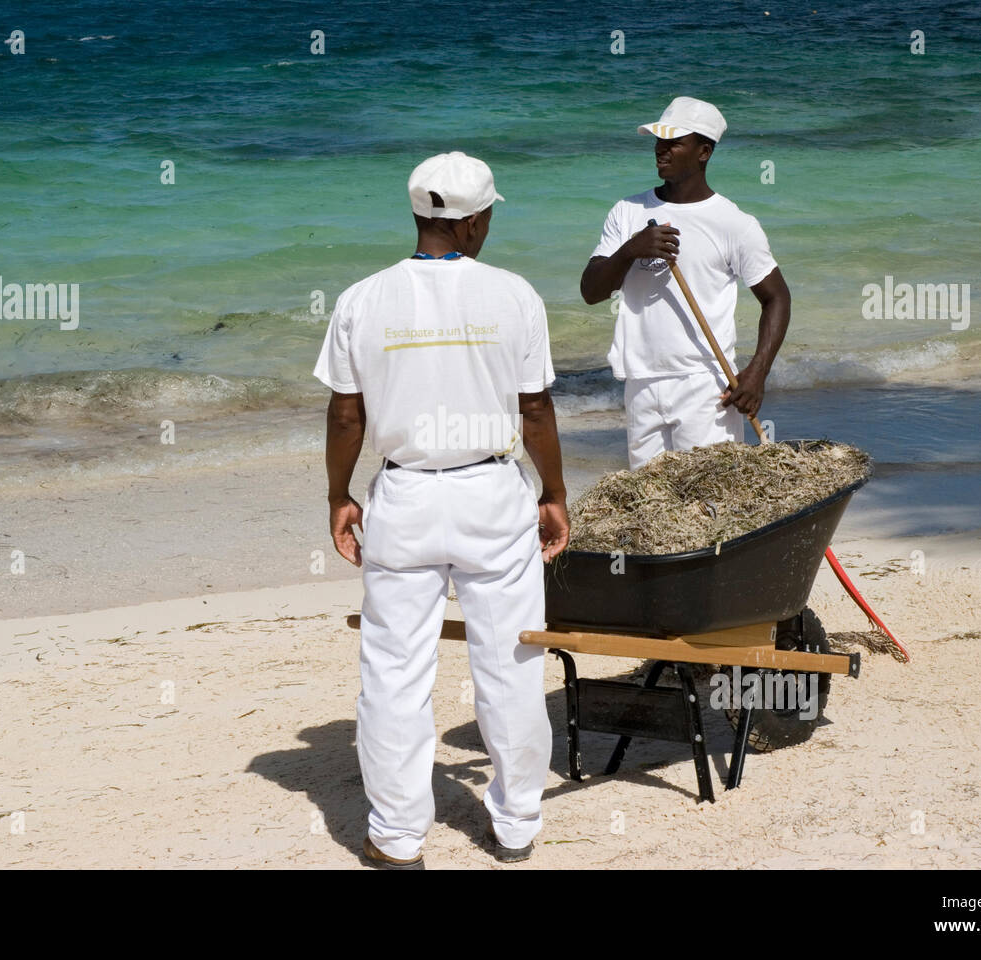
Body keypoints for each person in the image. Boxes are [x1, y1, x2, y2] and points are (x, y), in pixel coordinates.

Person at [313, 151, 569, 869]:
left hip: (405, 493)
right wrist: (553, 491)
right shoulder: (514, 295)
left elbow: (345, 415)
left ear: (420, 214)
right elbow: (537, 408)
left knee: (394, 671)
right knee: (512, 663)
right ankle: (515, 827)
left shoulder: (363, 298)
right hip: (492, 490)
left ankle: (397, 838)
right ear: (478, 220)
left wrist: (340, 495)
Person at [580, 96, 791, 468]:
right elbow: (591, 292)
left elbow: (777, 298)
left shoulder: (734, 223)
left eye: (674, 142)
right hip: (640, 380)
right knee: (651, 504)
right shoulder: (627, 212)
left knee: (711, 497)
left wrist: (757, 372)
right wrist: (630, 250)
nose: (661, 149)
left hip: (706, 384)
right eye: (658, 141)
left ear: (703, 151)